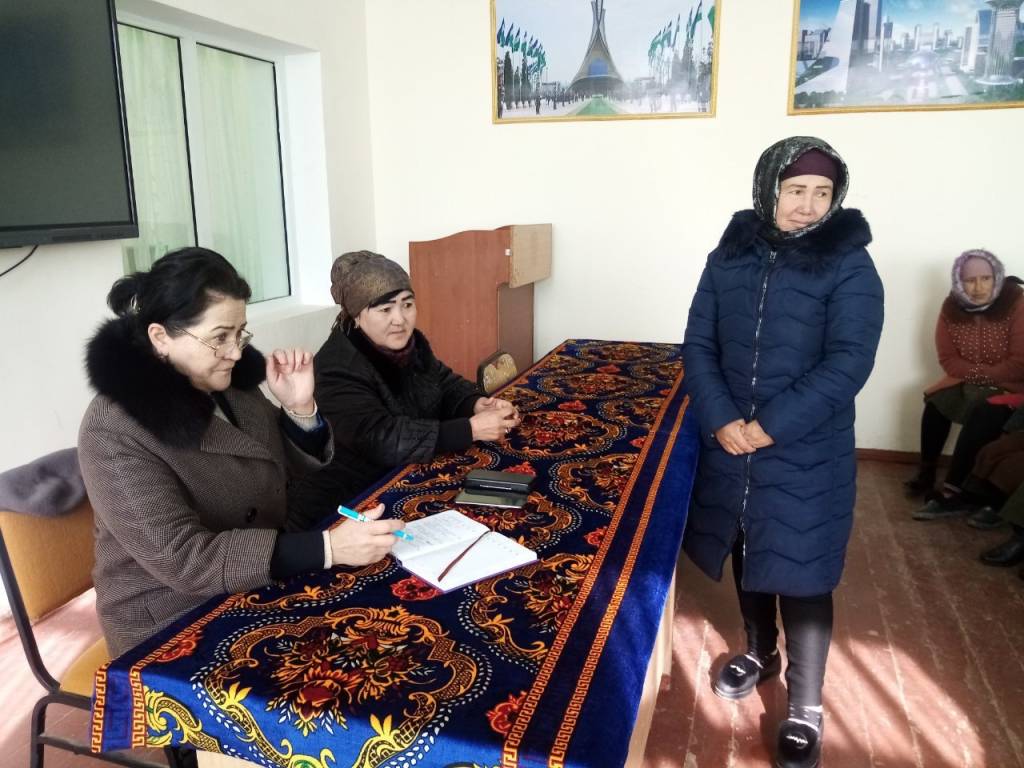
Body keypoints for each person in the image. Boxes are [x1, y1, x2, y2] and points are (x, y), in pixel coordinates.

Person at [78, 247, 404, 660]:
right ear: (160, 337)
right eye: (219, 337)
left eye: (240, 333)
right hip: (172, 619)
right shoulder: (114, 429)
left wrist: (300, 410)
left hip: (253, 577)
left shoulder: (228, 384)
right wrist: (327, 549)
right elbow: (184, 560)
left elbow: (273, 466)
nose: (235, 352)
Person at [682, 137, 884, 768]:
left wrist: (767, 427)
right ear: (768, 188)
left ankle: (805, 704)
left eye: (822, 193)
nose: (807, 205)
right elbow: (698, 344)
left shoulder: (850, 265)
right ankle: (758, 652)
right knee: (746, 546)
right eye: (795, 190)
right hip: (731, 441)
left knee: (803, 570)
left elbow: (848, 363)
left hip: (805, 450)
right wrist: (721, 419)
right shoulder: (729, 255)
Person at [287, 251, 520, 519]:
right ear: (357, 316)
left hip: (402, 473)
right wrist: (470, 429)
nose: (399, 319)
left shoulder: (407, 345)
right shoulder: (335, 368)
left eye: (407, 305)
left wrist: (476, 404)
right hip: (348, 501)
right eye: (385, 309)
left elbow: (442, 381)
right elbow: (382, 438)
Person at [904, 250, 1024, 500]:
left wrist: (980, 376)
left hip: (1012, 385)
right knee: (937, 403)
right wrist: (979, 376)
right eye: (970, 280)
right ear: (959, 282)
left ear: (997, 277)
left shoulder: (1016, 303)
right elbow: (948, 359)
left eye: (986, 278)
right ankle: (926, 472)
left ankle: (957, 485)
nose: (978, 287)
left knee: (985, 407)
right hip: (966, 380)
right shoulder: (951, 307)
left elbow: (1018, 363)